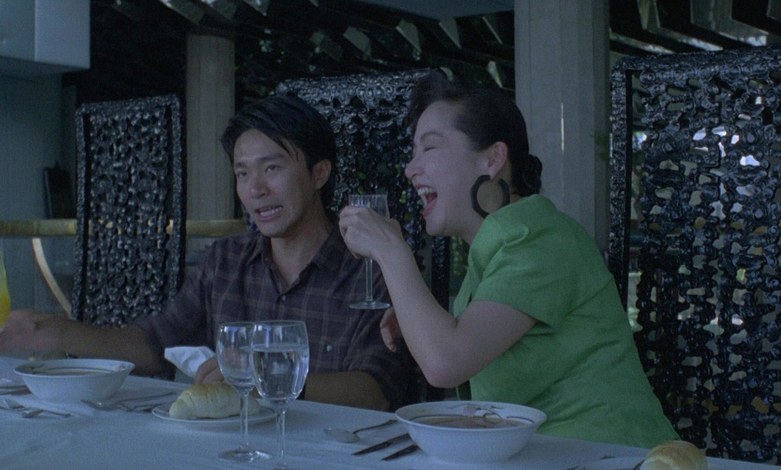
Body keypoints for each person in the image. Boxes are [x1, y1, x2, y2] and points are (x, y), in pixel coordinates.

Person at [0, 94, 417, 411]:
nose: (255, 189)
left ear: (318, 173)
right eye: (242, 173)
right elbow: (155, 345)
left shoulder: (372, 265)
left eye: (272, 168)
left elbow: (377, 390)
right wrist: (59, 332)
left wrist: (267, 379)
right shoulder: (227, 261)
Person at [338, 70, 678, 446]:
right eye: (413, 153)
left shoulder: (540, 240)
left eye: (429, 148)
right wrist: (421, 319)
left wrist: (391, 250)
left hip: (617, 454)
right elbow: (465, 345)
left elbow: (446, 363)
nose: (410, 169)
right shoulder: (499, 245)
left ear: (492, 158)